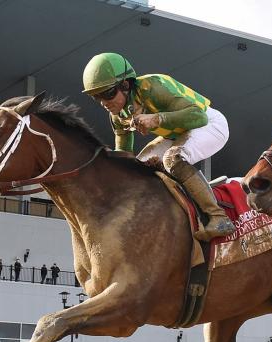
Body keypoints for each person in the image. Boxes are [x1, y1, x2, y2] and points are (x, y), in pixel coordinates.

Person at [81, 52, 234, 240]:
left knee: (172, 159)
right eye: (97, 97)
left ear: (125, 85)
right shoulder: (117, 116)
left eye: (108, 94)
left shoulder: (152, 87)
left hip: (210, 124)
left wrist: (157, 119)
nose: (104, 103)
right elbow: (124, 156)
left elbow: (199, 117)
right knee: (138, 169)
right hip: (177, 134)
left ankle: (219, 217)